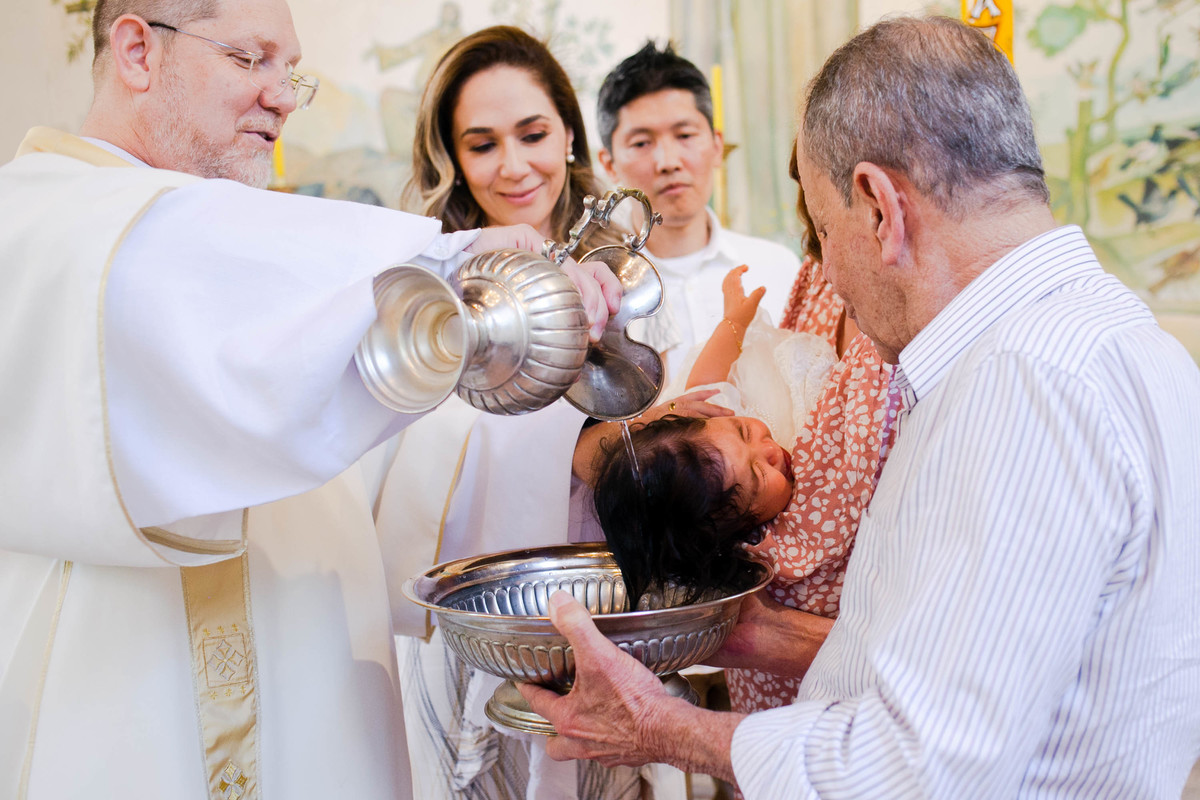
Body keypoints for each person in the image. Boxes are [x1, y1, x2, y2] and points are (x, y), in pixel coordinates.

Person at [518, 16, 1200, 799]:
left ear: (880, 206)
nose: (827, 274)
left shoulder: (1021, 384)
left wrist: (661, 726)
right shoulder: (1122, 338)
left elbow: (920, 766)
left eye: (823, 227)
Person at [0, 2, 624, 799]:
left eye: (289, 71)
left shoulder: (257, 263)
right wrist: (454, 267)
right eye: (249, 59)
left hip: (320, 710)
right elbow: (171, 259)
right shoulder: (41, 221)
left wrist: (579, 451)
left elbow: (384, 470)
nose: (282, 96)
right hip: (120, 714)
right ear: (137, 51)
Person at [386, 25, 713, 800]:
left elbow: (661, 451)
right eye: (482, 144)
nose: (513, 165)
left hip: (609, 623)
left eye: (532, 135)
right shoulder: (427, 292)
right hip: (472, 631)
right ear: (452, 157)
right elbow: (404, 463)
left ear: (569, 133)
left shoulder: (634, 283)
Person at [595, 41, 801, 384]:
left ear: (717, 145)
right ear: (609, 164)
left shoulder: (777, 268)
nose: (668, 162)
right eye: (641, 143)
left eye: (685, 135)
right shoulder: (599, 289)